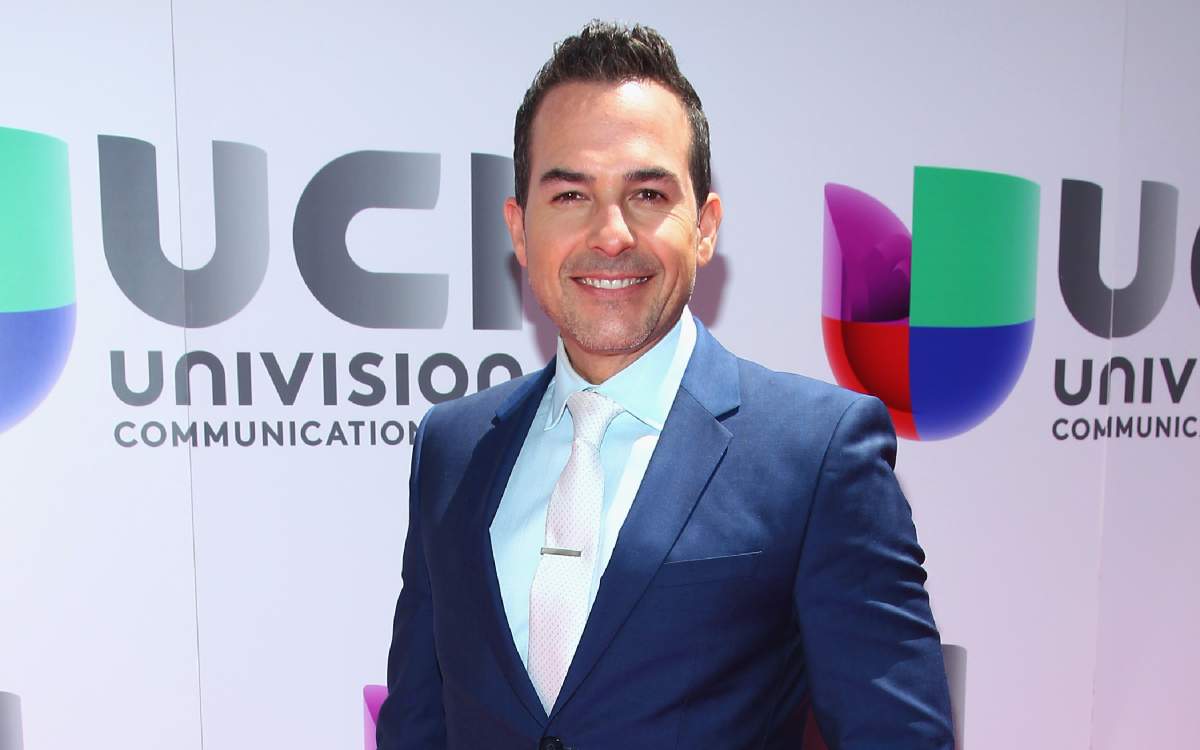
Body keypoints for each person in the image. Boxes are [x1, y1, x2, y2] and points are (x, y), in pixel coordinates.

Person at [376, 21, 954, 750]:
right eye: (570, 195)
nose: (611, 233)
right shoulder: (452, 448)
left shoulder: (817, 454)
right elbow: (418, 727)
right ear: (519, 231)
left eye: (647, 193)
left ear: (705, 227)